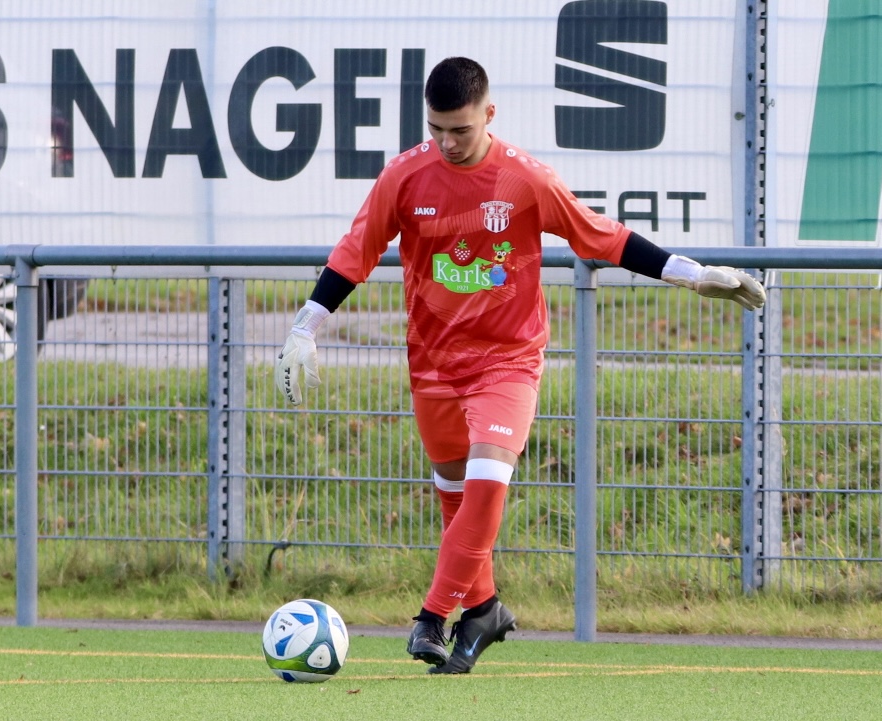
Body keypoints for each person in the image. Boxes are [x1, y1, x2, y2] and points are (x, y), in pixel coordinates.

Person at [276, 56, 765, 674]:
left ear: (489, 114)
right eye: (436, 130)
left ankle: (432, 616)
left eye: (461, 130)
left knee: (486, 484)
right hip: (432, 365)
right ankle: (483, 609)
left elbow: (599, 235)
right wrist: (306, 325)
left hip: (507, 361)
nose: (449, 143)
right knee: (457, 498)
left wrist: (692, 274)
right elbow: (357, 250)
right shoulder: (404, 175)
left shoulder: (525, 178)